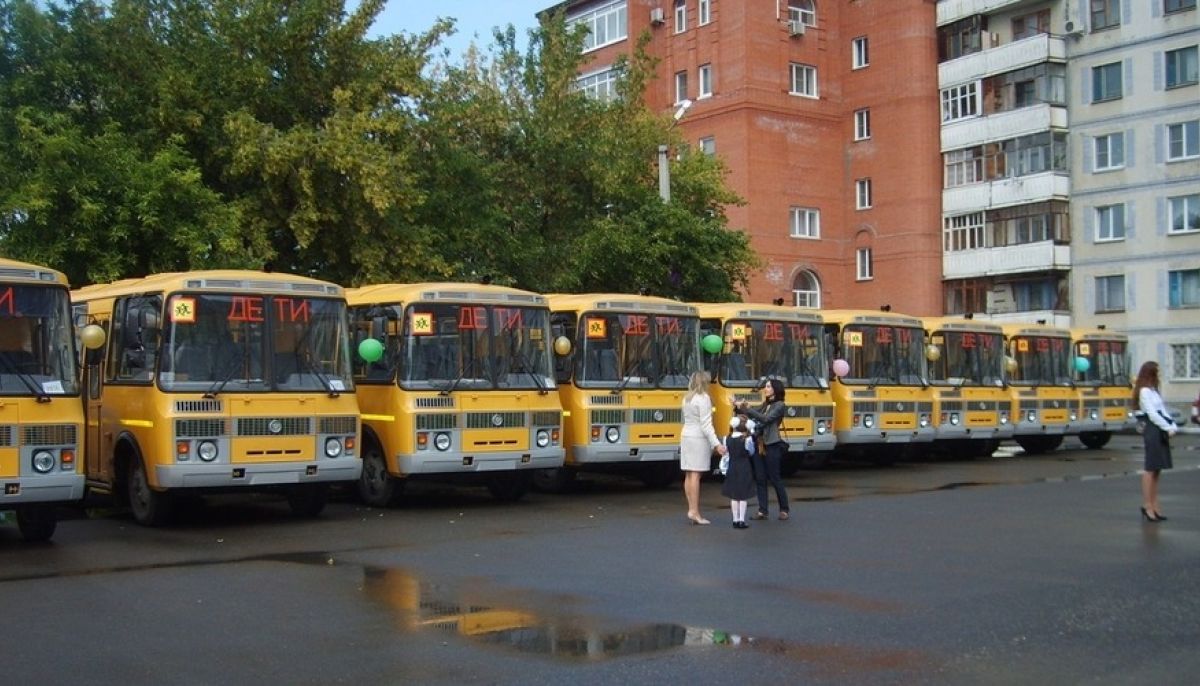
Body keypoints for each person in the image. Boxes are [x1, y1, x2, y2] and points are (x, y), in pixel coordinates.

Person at [733, 378, 791, 521]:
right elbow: (751, 414)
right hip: (759, 444)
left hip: (772, 445)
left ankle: (784, 509)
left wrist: (748, 408)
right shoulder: (765, 404)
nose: (766, 389)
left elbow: (765, 419)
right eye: (766, 386)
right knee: (760, 478)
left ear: (776, 390)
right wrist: (738, 406)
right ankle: (762, 510)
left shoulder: (780, 405)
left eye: (768, 387)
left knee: (775, 477)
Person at [1133, 361, 1177, 522]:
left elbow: (1162, 410)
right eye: (1156, 372)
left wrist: (1172, 424)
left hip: (1160, 428)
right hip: (1153, 429)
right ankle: (1147, 506)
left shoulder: (1153, 391)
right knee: (1150, 467)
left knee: (1158, 468)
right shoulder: (1144, 391)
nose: (1158, 375)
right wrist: (1167, 427)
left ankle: (1154, 504)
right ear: (1149, 373)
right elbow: (1152, 414)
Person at [680, 370, 726, 525]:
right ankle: (695, 511)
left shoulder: (687, 398)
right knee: (696, 475)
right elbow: (706, 425)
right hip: (698, 439)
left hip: (686, 436)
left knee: (688, 474)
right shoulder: (704, 398)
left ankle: (691, 508)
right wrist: (717, 444)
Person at [721, 416, 757, 529]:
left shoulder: (726, 438)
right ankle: (742, 520)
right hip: (744, 467)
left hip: (732, 466)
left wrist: (724, 467)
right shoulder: (747, 439)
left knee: (734, 495)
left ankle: (735, 520)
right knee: (743, 496)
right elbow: (751, 452)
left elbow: (726, 454)